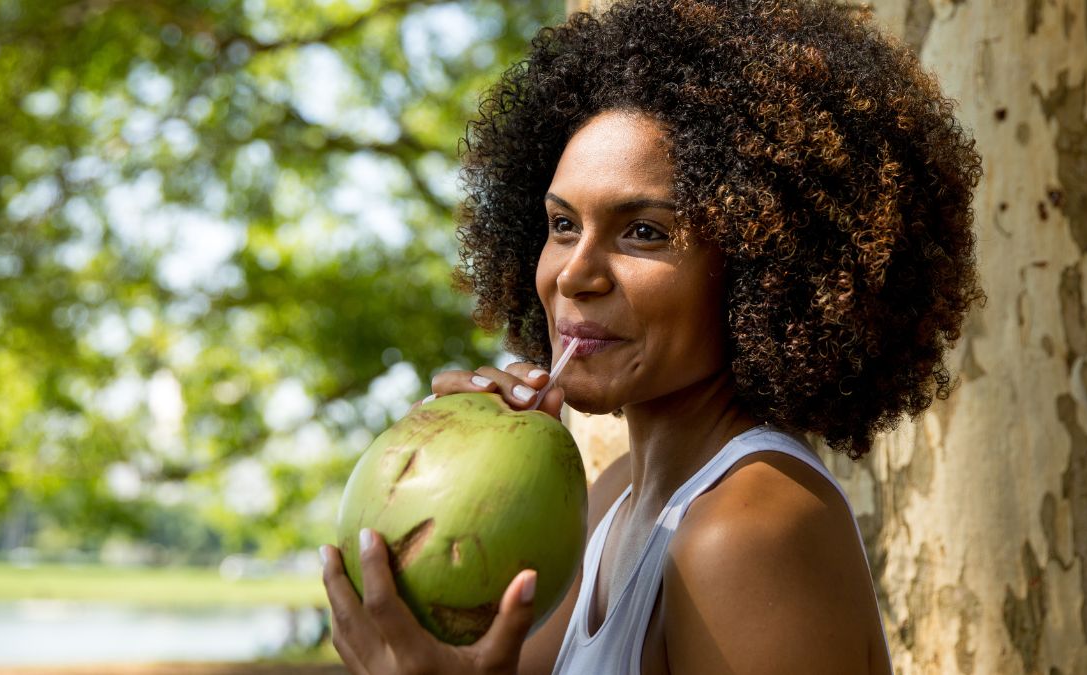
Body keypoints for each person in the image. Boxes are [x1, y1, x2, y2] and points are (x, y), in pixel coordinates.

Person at [320, 0, 983, 673]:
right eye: (563, 224)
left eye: (645, 231)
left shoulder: (749, 531)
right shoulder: (612, 497)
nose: (575, 274)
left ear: (763, 266)